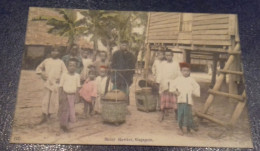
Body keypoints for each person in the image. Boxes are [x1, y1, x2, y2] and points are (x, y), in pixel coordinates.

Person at [36, 46, 67, 124]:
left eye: (57, 51)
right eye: (53, 51)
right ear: (50, 53)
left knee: (53, 100)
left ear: (59, 53)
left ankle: (49, 115)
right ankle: (44, 115)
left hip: (55, 84)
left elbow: (65, 72)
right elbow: (38, 69)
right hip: (47, 83)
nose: (55, 53)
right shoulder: (47, 61)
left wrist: (61, 78)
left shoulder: (61, 62)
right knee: (45, 99)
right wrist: (42, 74)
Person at [170, 62, 200, 135]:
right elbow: (172, 86)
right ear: (181, 71)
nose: (186, 72)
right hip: (181, 99)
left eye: (187, 71)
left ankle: (188, 128)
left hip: (188, 99)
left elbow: (197, 87)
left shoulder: (191, 80)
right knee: (181, 114)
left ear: (189, 71)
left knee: (188, 114)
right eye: (184, 70)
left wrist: (194, 93)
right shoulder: (178, 79)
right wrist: (175, 92)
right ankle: (180, 128)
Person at [59, 58, 81, 132]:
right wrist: (60, 95)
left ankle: (68, 121)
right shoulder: (64, 75)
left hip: (73, 95)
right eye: (70, 65)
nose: (72, 67)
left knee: (71, 109)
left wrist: (77, 96)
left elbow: (78, 87)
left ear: (76, 67)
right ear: (67, 66)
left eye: (74, 65)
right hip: (65, 94)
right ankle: (64, 125)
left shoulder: (77, 76)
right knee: (65, 109)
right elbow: (61, 86)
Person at [110, 41, 136, 105]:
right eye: (123, 45)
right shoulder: (116, 54)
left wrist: (131, 75)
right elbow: (112, 65)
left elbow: (133, 67)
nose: (124, 46)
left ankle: (125, 105)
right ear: (120, 46)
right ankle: (115, 103)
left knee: (125, 90)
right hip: (117, 75)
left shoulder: (131, 55)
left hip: (126, 76)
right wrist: (114, 72)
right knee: (116, 90)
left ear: (127, 46)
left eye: (125, 45)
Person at [159, 49, 181, 120]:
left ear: (172, 56)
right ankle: (162, 114)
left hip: (173, 83)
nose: (168, 57)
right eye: (166, 55)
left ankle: (176, 114)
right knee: (163, 99)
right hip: (164, 83)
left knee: (174, 100)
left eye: (169, 55)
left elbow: (178, 74)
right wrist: (161, 82)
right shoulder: (163, 64)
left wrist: (176, 83)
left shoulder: (176, 64)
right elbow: (161, 74)